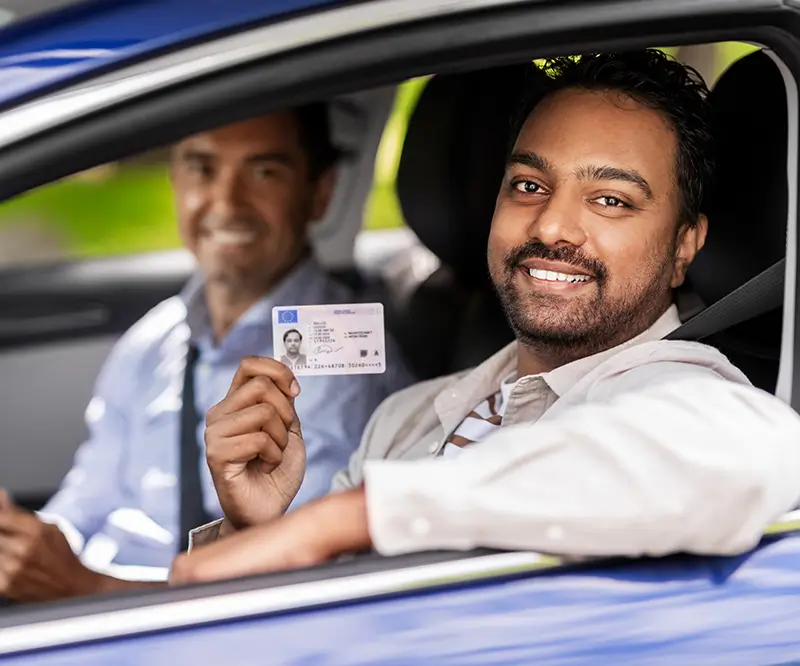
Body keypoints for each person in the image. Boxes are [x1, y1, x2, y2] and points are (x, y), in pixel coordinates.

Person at [170, 50, 800, 584]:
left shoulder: (687, 394)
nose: (552, 225)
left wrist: (342, 520)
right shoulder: (411, 414)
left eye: (610, 200)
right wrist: (255, 528)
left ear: (684, 245)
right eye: (529, 186)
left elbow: (748, 453)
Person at [0, 106, 412, 602]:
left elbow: (288, 583)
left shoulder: (342, 358)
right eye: (202, 169)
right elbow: (82, 508)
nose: (226, 201)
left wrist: (83, 589)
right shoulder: (151, 342)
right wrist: (22, 549)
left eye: (264, 172)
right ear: (176, 180)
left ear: (318, 193)